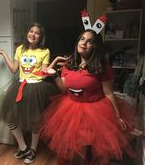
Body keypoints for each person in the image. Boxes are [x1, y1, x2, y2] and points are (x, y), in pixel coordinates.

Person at [40, 13, 142, 165]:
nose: (84, 43)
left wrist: (118, 115)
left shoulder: (101, 67)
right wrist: (54, 75)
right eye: (82, 39)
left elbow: (108, 93)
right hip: (70, 111)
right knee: (70, 149)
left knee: (91, 151)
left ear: (95, 46)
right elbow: (64, 90)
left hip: (96, 112)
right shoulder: (69, 65)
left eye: (89, 41)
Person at [0, 22, 59, 164]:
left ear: (40, 37)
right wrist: (4, 53)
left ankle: (33, 150)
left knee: (35, 121)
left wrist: (52, 64)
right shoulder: (20, 49)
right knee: (10, 118)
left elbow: (43, 74)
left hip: (36, 88)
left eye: (37, 33)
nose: (33, 34)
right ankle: (23, 147)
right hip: (20, 86)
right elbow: (13, 69)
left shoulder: (44, 51)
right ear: (27, 32)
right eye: (31, 31)